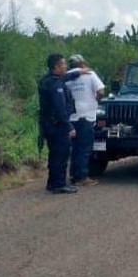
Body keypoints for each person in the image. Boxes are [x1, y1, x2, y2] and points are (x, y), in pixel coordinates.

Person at [38, 53, 89, 194]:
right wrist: (69, 126)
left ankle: (52, 182)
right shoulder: (56, 85)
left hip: (48, 124)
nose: (66, 66)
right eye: (63, 64)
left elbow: (66, 77)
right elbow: (60, 108)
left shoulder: (47, 80)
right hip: (57, 125)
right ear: (57, 66)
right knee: (61, 154)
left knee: (54, 154)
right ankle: (59, 184)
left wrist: (79, 72)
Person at [65, 54, 105, 187]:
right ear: (82, 63)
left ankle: (72, 175)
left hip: (71, 116)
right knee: (85, 147)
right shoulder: (89, 74)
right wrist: (96, 100)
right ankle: (82, 176)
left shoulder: (66, 77)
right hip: (87, 115)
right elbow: (101, 91)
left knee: (74, 147)